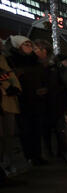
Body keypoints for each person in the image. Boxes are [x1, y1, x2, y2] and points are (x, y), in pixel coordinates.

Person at [7, 35, 48, 166]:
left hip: (37, 100)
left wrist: (44, 88)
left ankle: (37, 155)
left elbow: (43, 78)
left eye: (30, 45)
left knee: (37, 129)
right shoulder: (12, 61)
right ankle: (29, 156)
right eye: (26, 45)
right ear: (19, 47)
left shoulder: (36, 62)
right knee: (25, 130)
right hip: (22, 101)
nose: (30, 47)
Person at [0, 40, 22, 175]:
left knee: (8, 135)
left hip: (8, 103)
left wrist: (13, 88)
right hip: (3, 101)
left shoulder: (5, 59)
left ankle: (9, 164)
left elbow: (11, 76)